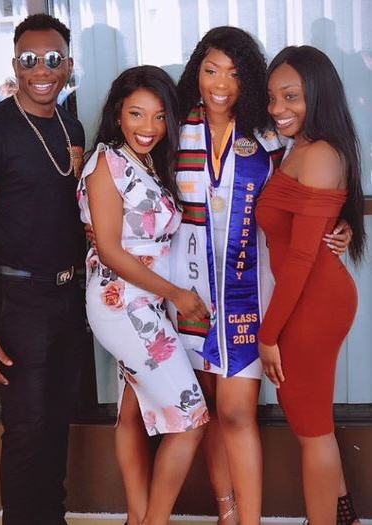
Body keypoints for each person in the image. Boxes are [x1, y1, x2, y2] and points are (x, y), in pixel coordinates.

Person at [170, 27, 352, 525]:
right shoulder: (175, 127)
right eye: (211, 70)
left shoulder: (269, 134)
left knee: (240, 412)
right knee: (208, 407)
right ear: (196, 72)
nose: (220, 83)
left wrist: (340, 225)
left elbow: (310, 195)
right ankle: (228, 513)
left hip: (254, 291)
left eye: (234, 73)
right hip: (186, 286)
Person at [0, 13, 86, 525]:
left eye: (52, 59)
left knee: (56, 424)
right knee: (26, 431)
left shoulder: (71, 126)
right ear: (15, 65)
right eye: (29, 60)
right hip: (17, 304)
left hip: (68, 297)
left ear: (68, 64)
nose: (41, 70)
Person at [77, 65, 209, 525]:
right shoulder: (105, 163)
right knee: (191, 420)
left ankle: (137, 518)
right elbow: (111, 251)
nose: (148, 127)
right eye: (136, 114)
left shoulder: (146, 162)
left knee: (131, 414)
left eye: (158, 116)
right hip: (123, 305)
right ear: (118, 113)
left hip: (145, 304)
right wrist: (178, 295)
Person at [257, 45, 365, 525]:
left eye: (291, 96)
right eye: (272, 96)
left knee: (311, 428)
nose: (278, 108)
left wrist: (268, 334)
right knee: (310, 420)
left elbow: (301, 258)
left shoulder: (319, 152)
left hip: (314, 301)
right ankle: (343, 517)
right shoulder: (296, 146)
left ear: (317, 95)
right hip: (306, 296)